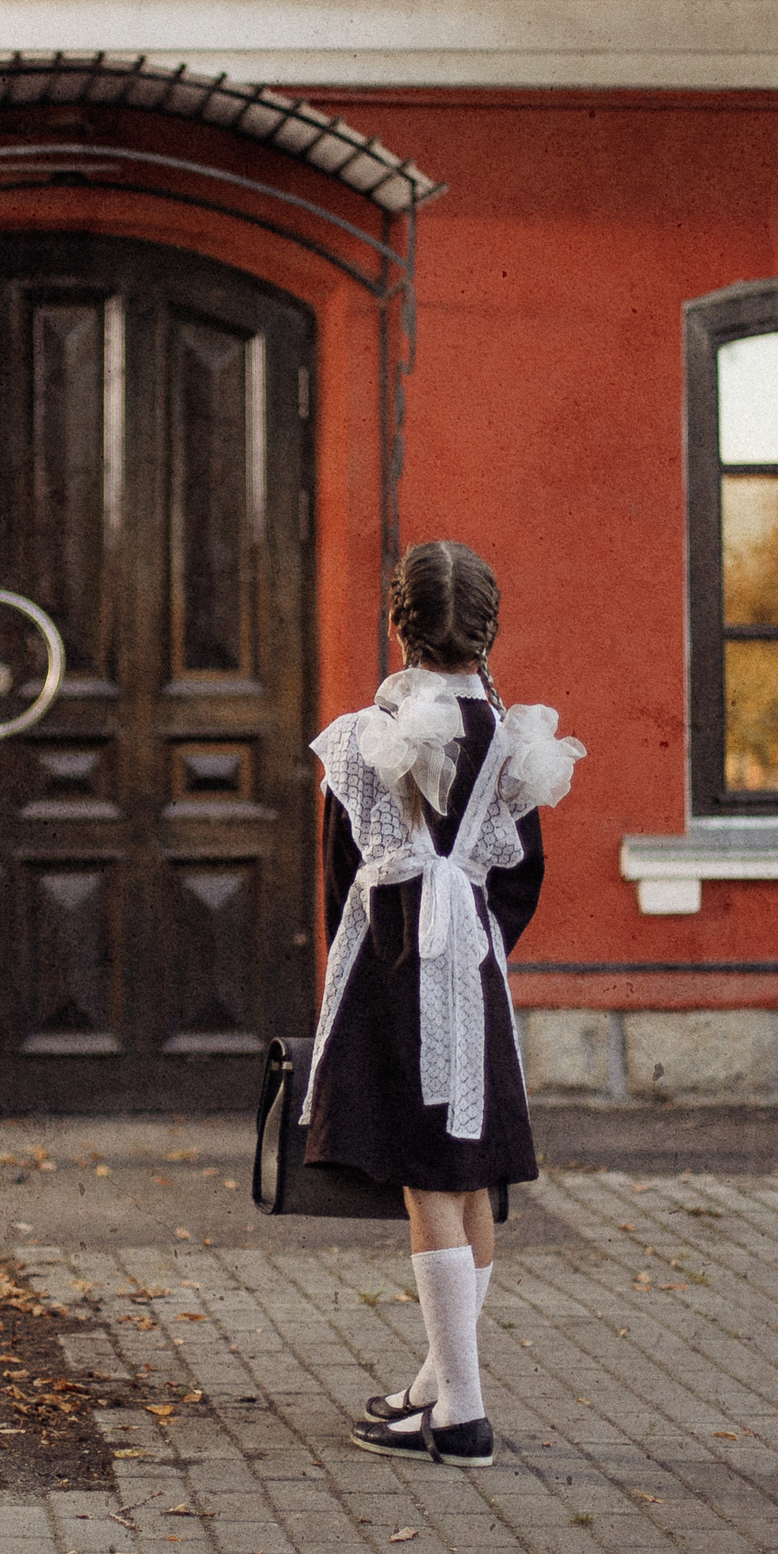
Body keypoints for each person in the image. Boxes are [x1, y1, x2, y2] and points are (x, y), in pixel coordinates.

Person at [300, 540, 584, 1465]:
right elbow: (522, 876)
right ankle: (433, 1383)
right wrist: (481, 949)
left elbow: (346, 869)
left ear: (398, 626)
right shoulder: (513, 739)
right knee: (469, 1172)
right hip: (474, 961)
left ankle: (461, 1411)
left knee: (431, 1176)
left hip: (399, 960)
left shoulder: (361, 736)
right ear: (488, 633)